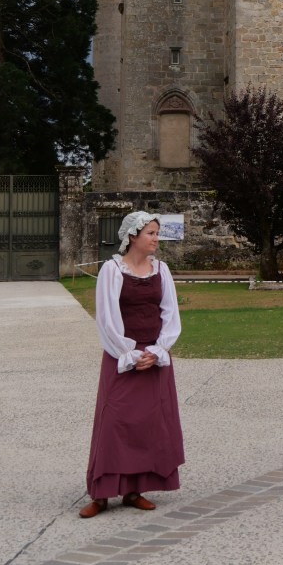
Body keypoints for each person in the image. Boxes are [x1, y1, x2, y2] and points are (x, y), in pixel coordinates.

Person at [79, 211, 185, 517]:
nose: (156, 239)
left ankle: (134, 490)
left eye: (156, 233)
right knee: (113, 422)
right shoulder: (112, 271)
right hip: (122, 357)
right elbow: (107, 318)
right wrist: (129, 353)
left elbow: (170, 313)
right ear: (132, 236)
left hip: (154, 356)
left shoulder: (161, 270)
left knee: (149, 425)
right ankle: (101, 494)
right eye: (150, 233)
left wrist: (158, 350)